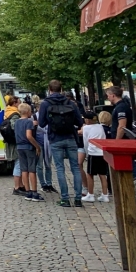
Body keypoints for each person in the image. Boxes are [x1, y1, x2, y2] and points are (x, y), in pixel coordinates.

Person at [38, 79, 84, 207]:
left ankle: (65, 198)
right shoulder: (70, 102)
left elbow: (41, 123)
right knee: (75, 167)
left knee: (60, 168)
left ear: (49, 89)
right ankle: (78, 198)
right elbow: (79, 122)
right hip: (71, 137)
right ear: (62, 89)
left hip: (55, 138)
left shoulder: (45, 103)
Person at [15, 103, 43, 202]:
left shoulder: (16, 122)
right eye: (30, 111)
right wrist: (37, 146)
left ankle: (28, 192)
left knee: (24, 170)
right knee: (32, 170)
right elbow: (29, 136)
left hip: (19, 147)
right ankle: (34, 192)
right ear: (27, 112)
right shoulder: (28, 122)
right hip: (28, 147)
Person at [81, 111, 111, 203]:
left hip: (93, 153)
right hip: (102, 152)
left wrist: (86, 152)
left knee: (90, 174)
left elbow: (86, 141)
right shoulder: (100, 126)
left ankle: (90, 194)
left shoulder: (86, 128)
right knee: (102, 174)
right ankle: (105, 194)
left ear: (87, 120)